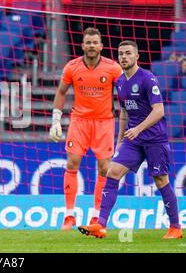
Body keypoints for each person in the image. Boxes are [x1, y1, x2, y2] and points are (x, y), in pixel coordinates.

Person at [78, 40, 183, 239]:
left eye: (128, 53)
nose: (124, 57)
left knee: (161, 180)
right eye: (120, 54)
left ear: (136, 57)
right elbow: (124, 112)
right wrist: (120, 141)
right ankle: (100, 225)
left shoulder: (147, 79)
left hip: (154, 138)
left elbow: (159, 111)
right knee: (112, 171)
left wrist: (138, 129)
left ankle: (175, 227)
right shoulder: (119, 82)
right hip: (132, 140)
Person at [49, 27, 123, 230]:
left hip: (104, 122)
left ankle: (96, 217)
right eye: (88, 42)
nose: (91, 46)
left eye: (94, 43)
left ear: (101, 46)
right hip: (79, 121)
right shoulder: (72, 67)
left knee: (104, 168)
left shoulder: (113, 68)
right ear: (82, 45)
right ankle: (69, 216)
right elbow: (61, 92)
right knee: (72, 164)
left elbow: (125, 91)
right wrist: (56, 119)